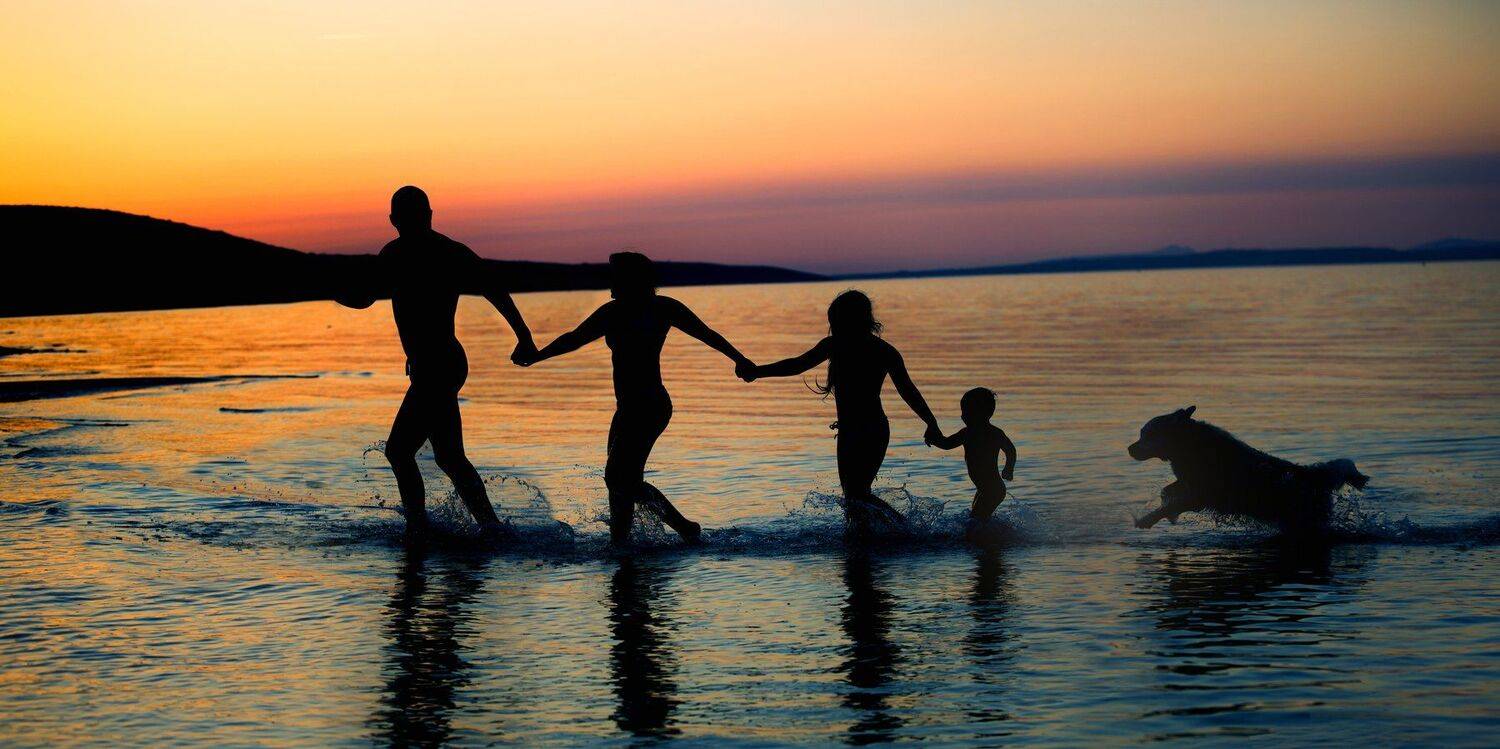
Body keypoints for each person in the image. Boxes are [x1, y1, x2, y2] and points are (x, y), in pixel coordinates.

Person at [337, 186, 536, 536]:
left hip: (441, 365)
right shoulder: (396, 254)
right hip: (434, 365)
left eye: (417, 215)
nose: (411, 222)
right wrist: (337, 290)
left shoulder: (447, 252)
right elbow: (367, 297)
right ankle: (489, 527)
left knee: (399, 451)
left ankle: (419, 528)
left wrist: (524, 337)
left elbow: (494, 289)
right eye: (406, 217)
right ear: (394, 220)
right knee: (448, 456)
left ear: (427, 216)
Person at [517, 251, 751, 545]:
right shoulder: (611, 312)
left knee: (620, 478)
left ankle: (684, 528)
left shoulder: (662, 308)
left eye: (614, 276)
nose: (609, 281)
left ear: (631, 279)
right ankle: (621, 541)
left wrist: (741, 360)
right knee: (618, 479)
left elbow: (708, 335)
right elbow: (573, 338)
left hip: (651, 406)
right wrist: (537, 356)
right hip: (627, 409)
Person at [741, 290, 940, 531]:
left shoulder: (860, 348)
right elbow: (797, 365)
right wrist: (758, 371)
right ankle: (863, 545)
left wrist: (931, 422)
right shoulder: (855, 348)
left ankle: (906, 531)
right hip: (852, 431)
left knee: (856, 494)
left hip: (870, 430)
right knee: (853, 496)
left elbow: (908, 391)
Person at [927, 388, 1017, 530]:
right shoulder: (992, 433)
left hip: (991, 490)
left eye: (965, 412)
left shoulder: (971, 433)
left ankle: (992, 542)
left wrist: (1009, 469)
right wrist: (1009, 468)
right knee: (977, 520)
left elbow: (946, 444)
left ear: (980, 413)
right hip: (987, 489)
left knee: (975, 523)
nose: (962, 416)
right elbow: (1010, 450)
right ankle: (993, 540)